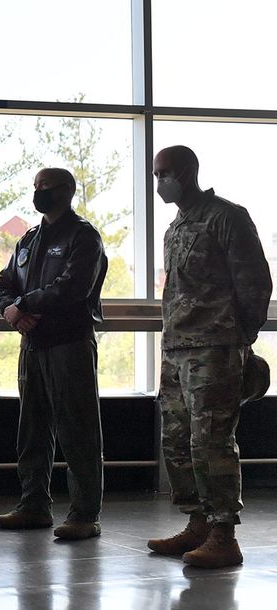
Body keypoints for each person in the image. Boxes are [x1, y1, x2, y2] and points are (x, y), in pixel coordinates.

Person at [146, 145, 272, 568]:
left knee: (212, 440)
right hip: (177, 348)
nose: (159, 180)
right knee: (177, 439)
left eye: (164, 172)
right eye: (155, 173)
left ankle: (223, 533)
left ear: (186, 171)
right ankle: (198, 521)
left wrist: (240, 338)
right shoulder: (175, 227)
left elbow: (255, 282)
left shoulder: (226, 217)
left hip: (216, 348)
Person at [0, 168, 108, 540]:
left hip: (69, 344)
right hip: (33, 344)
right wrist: (11, 309)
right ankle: (33, 506)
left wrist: (23, 303)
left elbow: (73, 287)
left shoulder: (83, 236)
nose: (37, 192)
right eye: (35, 187)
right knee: (32, 429)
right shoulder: (27, 238)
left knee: (77, 429)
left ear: (66, 192)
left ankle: (84, 514)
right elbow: (4, 284)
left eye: (45, 187)